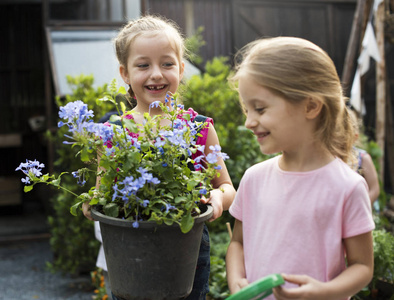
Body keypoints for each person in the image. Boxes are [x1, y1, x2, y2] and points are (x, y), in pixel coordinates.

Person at [82, 14, 236, 300]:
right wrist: (91, 202)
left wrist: (218, 199)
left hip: (186, 252)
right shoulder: (113, 132)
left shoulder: (198, 128)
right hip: (130, 253)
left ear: (181, 69)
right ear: (125, 73)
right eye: (143, 65)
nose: (156, 74)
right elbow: (102, 192)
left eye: (167, 64)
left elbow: (228, 189)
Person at [226, 37, 375, 300]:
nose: (249, 122)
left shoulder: (347, 186)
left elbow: (362, 267)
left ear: (311, 106)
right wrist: (236, 278)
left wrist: (325, 291)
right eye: (247, 109)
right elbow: (238, 243)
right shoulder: (254, 179)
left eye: (259, 108)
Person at [349, 108, 380, 206]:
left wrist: (362, 206)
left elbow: (374, 189)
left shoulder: (362, 158)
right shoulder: (330, 158)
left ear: (355, 137)